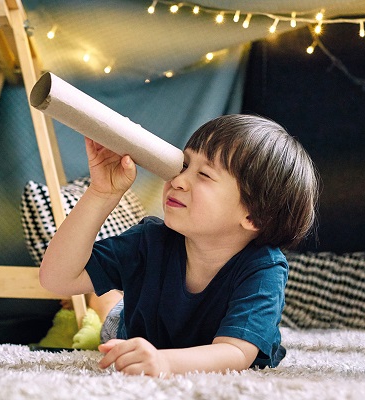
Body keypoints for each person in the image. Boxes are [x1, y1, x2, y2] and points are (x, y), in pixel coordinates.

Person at [39, 114, 319, 376]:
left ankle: (105, 297)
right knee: (111, 318)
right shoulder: (149, 240)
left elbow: (235, 352)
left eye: (205, 175)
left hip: (161, 349)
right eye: (183, 165)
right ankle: (103, 299)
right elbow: (57, 278)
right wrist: (102, 192)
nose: (178, 180)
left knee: (113, 304)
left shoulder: (263, 268)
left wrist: (164, 361)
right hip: (131, 329)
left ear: (253, 216)